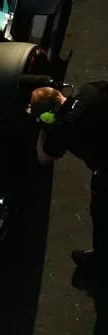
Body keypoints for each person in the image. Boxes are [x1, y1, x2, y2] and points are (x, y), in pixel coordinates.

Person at [31, 82, 108, 267]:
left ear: (48, 116)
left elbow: (44, 157)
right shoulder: (90, 90)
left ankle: (101, 259)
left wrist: (42, 128)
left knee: (102, 215)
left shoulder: (64, 129)